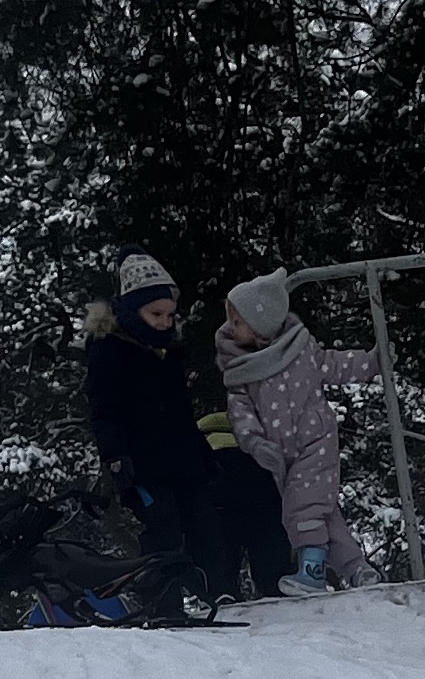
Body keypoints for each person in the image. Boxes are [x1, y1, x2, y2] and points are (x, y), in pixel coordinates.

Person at [82, 256, 292, 605]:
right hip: (142, 465)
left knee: (206, 528)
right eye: (156, 314)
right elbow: (103, 410)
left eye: (170, 315)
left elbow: (181, 412)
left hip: (183, 461)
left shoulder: (169, 350)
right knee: (163, 533)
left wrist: (203, 455)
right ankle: (163, 604)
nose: (165, 322)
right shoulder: (109, 350)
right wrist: (116, 457)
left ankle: (218, 595)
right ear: (132, 310)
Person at [213, 271, 378, 595]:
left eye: (238, 321)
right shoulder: (240, 371)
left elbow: (336, 364)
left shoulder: (302, 351)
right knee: (324, 512)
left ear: (260, 326)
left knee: (300, 509)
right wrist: (255, 443)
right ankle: (358, 569)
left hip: (316, 443)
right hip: (281, 456)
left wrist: (372, 362)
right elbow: (240, 413)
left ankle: (312, 573)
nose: (230, 328)